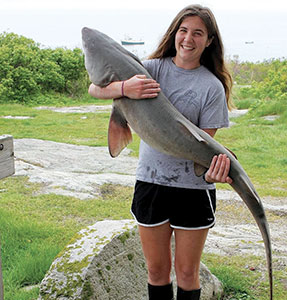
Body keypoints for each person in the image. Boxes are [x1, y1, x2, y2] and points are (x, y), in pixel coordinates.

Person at [89, 4, 234, 300]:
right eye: (183, 30)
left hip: (192, 191)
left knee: (187, 273)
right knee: (155, 270)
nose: (188, 39)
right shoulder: (151, 69)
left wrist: (215, 170)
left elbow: (200, 146)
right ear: (174, 34)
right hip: (151, 184)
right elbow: (95, 88)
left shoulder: (212, 87)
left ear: (209, 41)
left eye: (198, 33)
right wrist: (124, 88)